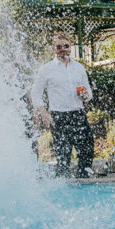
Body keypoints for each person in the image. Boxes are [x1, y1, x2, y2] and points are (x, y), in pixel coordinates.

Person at [31, 32, 94, 178]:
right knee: (63, 157)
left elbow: (89, 93)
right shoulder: (46, 69)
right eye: (59, 47)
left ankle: (83, 184)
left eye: (66, 46)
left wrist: (86, 95)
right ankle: (62, 188)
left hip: (78, 114)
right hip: (59, 117)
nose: (63, 49)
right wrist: (44, 114)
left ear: (70, 47)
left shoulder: (79, 68)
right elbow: (36, 94)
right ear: (54, 48)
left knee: (87, 151)